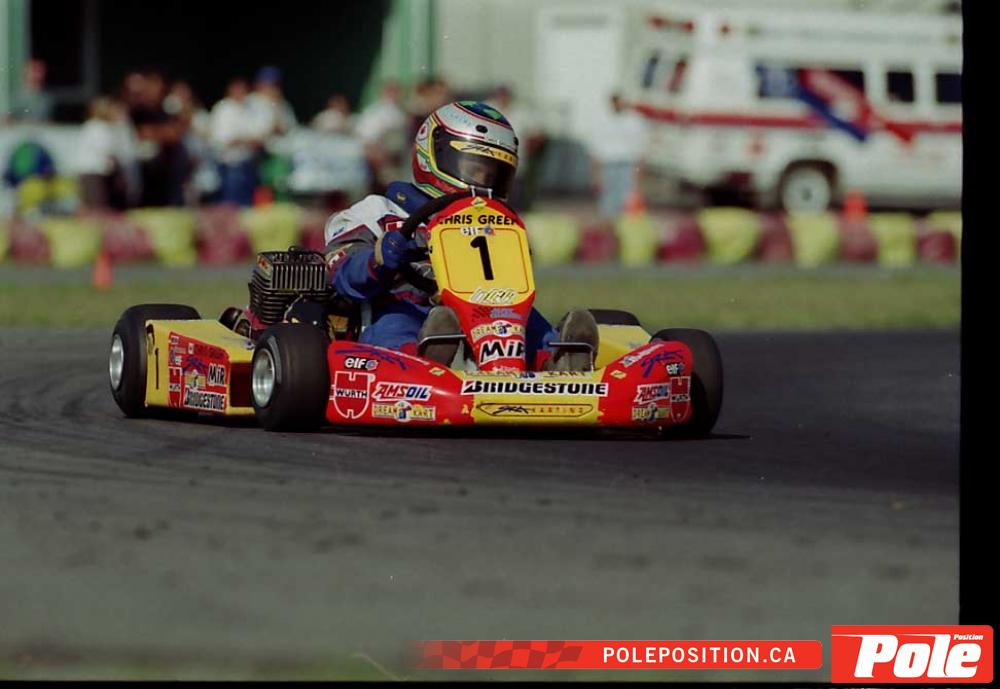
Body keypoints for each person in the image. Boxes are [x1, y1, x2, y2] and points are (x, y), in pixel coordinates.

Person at [319, 100, 598, 371]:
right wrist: (377, 260)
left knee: (525, 322)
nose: (483, 183)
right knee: (397, 326)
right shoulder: (378, 211)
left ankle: (559, 361)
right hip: (406, 308)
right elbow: (338, 269)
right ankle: (427, 360)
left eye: (493, 176)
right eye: (474, 170)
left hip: (484, 313)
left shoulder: (497, 223)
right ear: (433, 154)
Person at [588, 92, 650, 219]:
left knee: (628, 198)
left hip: (628, 165)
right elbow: (595, 150)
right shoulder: (603, 121)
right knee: (608, 198)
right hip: (608, 165)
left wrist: (639, 171)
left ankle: (625, 224)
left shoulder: (634, 121)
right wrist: (596, 174)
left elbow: (641, 148)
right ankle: (608, 224)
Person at [209, 77, 265, 207]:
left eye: (244, 89)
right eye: (238, 89)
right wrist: (245, 140)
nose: (241, 92)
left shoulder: (249, 109)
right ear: (230, 90)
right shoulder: (223, 109)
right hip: (230, 166)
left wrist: (249, 140)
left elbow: (258, 136)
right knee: (231, 206)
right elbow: (222, 140)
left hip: (248, 164)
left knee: (247, 206)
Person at [354, 80, 408, 194]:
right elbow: (368, 140)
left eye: (396, 92)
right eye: (391, 91)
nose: (394, 95)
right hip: (379, 159)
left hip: (396, 159)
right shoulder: (375, 112)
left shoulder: (399, 112)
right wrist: (380, 160)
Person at [5, 59, 54, 124]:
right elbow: (5, 120)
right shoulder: (16, 97)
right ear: (26, 72)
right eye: (35, 70)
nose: (38, 74)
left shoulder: (47, 97)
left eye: (40, 71)